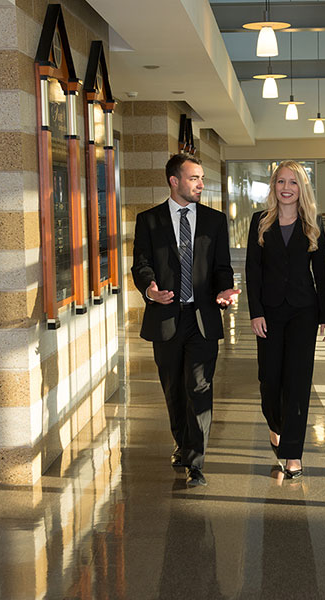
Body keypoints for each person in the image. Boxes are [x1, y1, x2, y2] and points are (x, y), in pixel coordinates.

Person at [131, 154, 240, 487]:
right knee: (174, 390)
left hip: (202, 317)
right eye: (194, 178)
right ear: (174, 181)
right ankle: (182, 442)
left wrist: (224, 290)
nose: (200, 184)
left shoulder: (214, 220)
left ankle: (196, 458)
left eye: (202, 178)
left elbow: (222, 266)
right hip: (165, 317)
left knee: (199, 387)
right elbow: (141, 263)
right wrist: (150, 288)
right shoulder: (148, 220)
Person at [245, 161, 325, 478]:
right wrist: (255, 311)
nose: (286, 188)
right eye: (281, 181)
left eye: (293, 182)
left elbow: (322, 274)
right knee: (269, 380)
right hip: (268, 312)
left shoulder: (313, 223)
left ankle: (293, 453)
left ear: (302, 188)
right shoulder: (259, 222)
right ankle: (276, 424)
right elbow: (252, 273)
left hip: (303, 312)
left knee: (297, 382)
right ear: (273, 186)